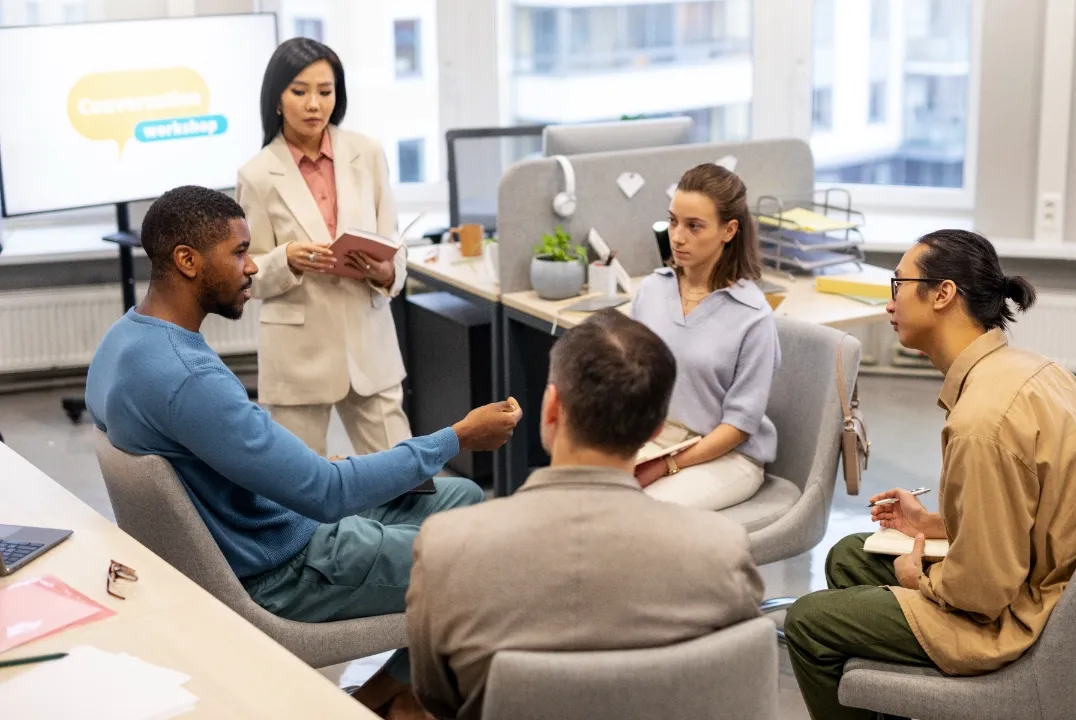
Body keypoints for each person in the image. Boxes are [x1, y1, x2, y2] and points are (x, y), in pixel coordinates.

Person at [85, 186, 522, 720]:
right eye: (239, 252)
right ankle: (398, 699)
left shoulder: (124, 342)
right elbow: (326, 494)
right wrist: (458, 437)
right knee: (481, 566)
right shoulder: (188, 379)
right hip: (285, 567)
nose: (251, 268)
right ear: (187, 261)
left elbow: (277, 471)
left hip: (263, 525)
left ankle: (388, 695)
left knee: (461, 495)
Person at [783, 229, 1076, 720]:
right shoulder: (1036, 370)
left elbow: (981, 592)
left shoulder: (981, 420)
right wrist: (933, 526)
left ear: (943, 294)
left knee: (808, 623)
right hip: (1048, 581)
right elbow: (1027, 512)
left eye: (898, 284)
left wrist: (919, 579)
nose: (890, 302)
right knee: (849, 557)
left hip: (1019, 615)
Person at [405, 310, 765, 720]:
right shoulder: (721, 552)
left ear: (552, 408)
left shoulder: (446, 547)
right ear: (655, 428)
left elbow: (436, 698)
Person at [236, 37, 411, 458]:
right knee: (295, 490)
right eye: (300, 92)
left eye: (325, 91)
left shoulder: (366, 153)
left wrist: (385, 271)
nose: (314, 104)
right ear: (276, 99)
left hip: (370, 347)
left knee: (406, 478)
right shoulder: (257, 174)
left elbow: (394, 243)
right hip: (299, 356)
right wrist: (287, 259)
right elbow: (246, 272)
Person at [628, 163, 781, 511]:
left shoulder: (752, 316)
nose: (677, 237)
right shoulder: (652, 291)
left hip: (725, 455)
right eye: (673, 221)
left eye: (694, 226)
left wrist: (665, 465)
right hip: (658, 440)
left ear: (729, 231)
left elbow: (739, 427)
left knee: (645, 515)